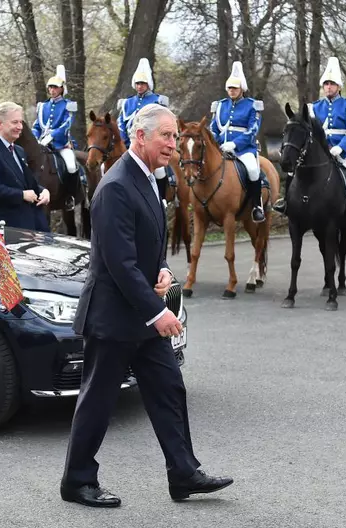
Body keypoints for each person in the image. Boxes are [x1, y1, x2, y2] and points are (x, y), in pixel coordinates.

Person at [61, 104, 233, 508]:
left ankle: (183, 473)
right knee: (98, 401)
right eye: (166, 136)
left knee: (169, 388)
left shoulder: (150, 179)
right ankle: (77, 481)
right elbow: (119, 263)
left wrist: (163, 271)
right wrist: (159, 313)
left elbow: (148, 245)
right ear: (140, 136)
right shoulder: (116, 186)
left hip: (141, 316)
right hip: (113, 318)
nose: (173, 144)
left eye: (175, 136)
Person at [273, 57, 346, 232]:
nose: (328, 87)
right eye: (326, 84)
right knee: (294, 170)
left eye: (332, 84)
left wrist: (341, 147)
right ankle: (287, 203)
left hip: (342, 151)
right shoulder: (313, 107)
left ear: (339, 86)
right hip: (319, 151)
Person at [0, 101, 50, 231]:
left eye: (20, 122)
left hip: (30, 224)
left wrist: (43, 191)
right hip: (6, 227)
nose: (20, 127)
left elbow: (24, 183)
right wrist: (21, 195)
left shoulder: (19, 150)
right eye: (15, 122)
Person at [210, 61, 266, 223]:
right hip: (221, 148)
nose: (232, 91)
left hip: (244, 149)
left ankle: (257, 206)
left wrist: (235, 144)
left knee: (253, 170)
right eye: (229, 88)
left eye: (235, 88)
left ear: (242, 89)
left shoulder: (252, 105)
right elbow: (213, 128)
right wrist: (218, 143)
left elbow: (252, 130)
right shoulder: (220, 105)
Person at [117, 58, 172, 201]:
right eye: (137, 83)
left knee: (160, 171)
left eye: (142, 83)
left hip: (150, 145)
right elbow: (121, 123)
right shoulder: (128, 102)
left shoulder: (157, 101)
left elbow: (162, 125)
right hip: (129, 145)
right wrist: (124, 140)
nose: (140, 86)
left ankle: (161, 199)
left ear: (148, 84)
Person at [32, 64, 80, 211]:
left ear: (61, 89)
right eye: (50, 87)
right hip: (42, 144)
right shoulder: (42, 106)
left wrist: (51, 136)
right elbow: (37, 126)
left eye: (55, 87)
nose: (52, 90)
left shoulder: (68, 105)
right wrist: (35, 138)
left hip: (60, 145)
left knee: (71, 166)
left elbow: (66, 125)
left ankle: (70, 197)